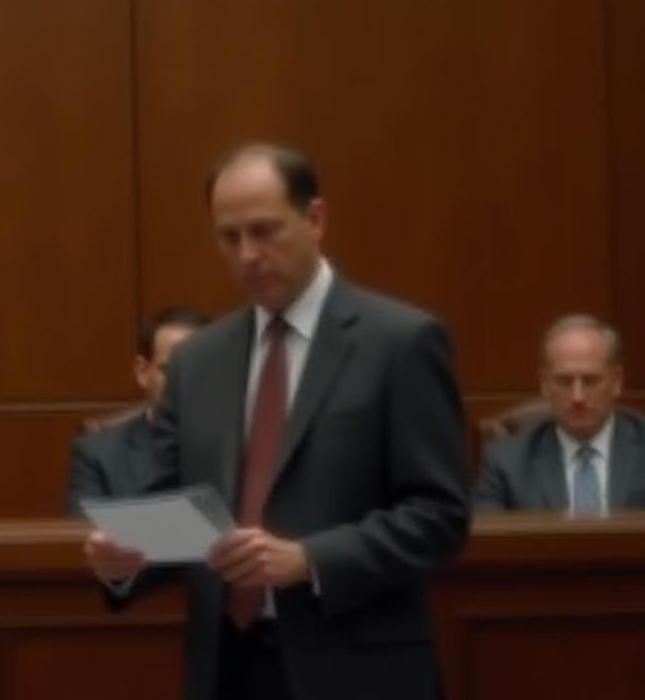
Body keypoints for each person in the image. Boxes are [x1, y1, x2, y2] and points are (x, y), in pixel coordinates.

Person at [84, 142, 470, 700]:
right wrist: (125, 557)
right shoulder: (199, 361)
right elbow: (176, 500)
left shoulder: (399, 342)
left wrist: (310, 559)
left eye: (264, 231)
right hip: (229, 668)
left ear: (316, 219)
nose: (247, 255)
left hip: (355, 670)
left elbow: (440, 515)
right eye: (229, 237)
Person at [473, 314, 645, 513]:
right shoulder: (504, 462)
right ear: (544, 384)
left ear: (616, 381)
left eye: (591, 380)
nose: (578, 397)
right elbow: (493, 547)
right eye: (564, 381)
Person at [66, 307, 207, 515]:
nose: (185, 382)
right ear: (142, 372)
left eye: (199, 369)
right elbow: (86, 532)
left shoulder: (240, 449)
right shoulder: (97, 455)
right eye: (171, 370)